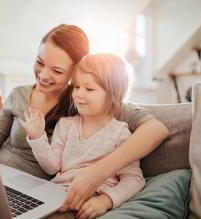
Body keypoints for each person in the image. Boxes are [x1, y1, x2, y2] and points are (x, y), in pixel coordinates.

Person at [0, 24, 169, 217]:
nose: (43, 75)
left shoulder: (84, 106)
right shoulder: (20, 95)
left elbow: (155, 130)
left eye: (57, 71)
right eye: (40, 62)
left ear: (76, 70)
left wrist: (98, 175)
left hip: (37, 192)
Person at [19, 53, 145, 218]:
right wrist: (37, 137)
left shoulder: (120, 133)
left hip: (90, 199)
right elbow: (52, 167)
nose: (78, 94)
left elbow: (134, 179)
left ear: (113, 94)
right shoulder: (65, 125)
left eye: (89, 88)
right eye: (77, 87)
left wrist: (106, 201)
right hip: (56, 194)